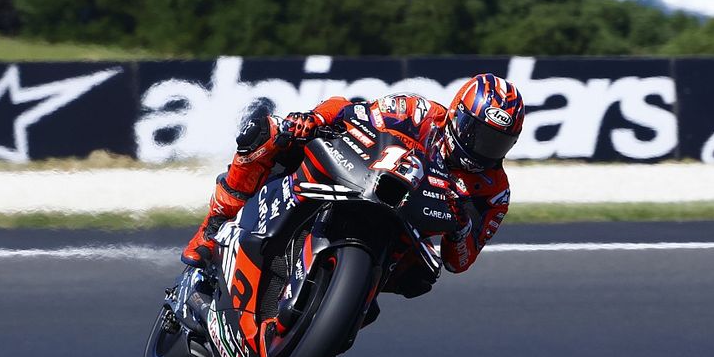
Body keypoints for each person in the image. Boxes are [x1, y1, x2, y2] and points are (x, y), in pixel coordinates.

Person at [181, 73, 525, 276]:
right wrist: (310, 122)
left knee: (419, 279)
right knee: (265, 133)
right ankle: (212, 228)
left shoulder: (494, 192)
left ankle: (340, 310)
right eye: (478, 134)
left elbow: (459, 262)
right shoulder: (417, 112)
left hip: (401, 240)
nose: (483, 149)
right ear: (457, 117)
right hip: (359, 181)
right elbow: (348, 111)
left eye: (497, 143)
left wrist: (462, 225)